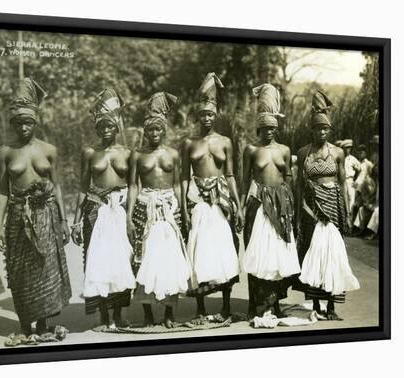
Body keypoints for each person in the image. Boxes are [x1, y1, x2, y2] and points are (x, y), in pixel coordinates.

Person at [0, 78, 72, 344]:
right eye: (18, 123)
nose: (24, 127)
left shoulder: (49, 150)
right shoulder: (5, 152)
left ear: (36, 122)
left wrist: (62, 220)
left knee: (45, 268)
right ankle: (27, 326)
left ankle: (44, 322)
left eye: (28, 122)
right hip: (17, 217)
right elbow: (3, 190)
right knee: (21, 272)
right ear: (13, 124)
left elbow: (57, 186)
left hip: (46, 214)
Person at [71, 88, 135, 329]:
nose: (106, 130)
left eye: (110, 126)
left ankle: (118, 315)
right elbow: (82, 186)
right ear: (97, 128)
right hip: (95, 210)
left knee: (121, 261)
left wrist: (131, 217)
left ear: (117, 127)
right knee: (97, 261)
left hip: (119, 208)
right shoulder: (90, 152)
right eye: (102, 127)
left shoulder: (127, 154)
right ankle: (103, 317)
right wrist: (76, 221)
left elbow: (133, 185)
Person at [126, 92, 191, 328]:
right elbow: (133, 185)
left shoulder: (173, 154)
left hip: (169, 209)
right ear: (145, 131)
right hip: (145, 207)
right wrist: (128, 217)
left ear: (163, 130)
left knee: (169, 260)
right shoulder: (137, 155)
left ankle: (169, 313)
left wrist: (183, 210)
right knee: (144, 260)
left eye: (157, 129)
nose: (153, 134)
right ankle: (147, 312)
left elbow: (177, 184)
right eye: (150, 130)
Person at [181, 73, 242, 322]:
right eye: (202, 115)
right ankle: (200, 307)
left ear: (215, 115)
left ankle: (226, 304)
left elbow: (230, 174)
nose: (206, 118)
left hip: (221, 199)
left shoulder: (225, 142)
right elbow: (184, 176)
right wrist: (185, 208)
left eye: (210, 114)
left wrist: (237, 204)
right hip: (197, 199)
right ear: (197, 117)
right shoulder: (188, 143)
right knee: (199, 247)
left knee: (224, 248)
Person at [295, 90, 360, 321]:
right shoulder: (304, 153)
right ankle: (314, 303)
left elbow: (342, 184)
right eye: (317, 128)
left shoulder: (338, 153)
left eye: (325, 129)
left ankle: (331, 306)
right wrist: (298, 213)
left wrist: (347, 212)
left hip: (333, 206)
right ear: (311, 130)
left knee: (333, 254)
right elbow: (300, 186)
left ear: (329, 130)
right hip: (310, 208)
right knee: (313, 254)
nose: (321, 132)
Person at [241, 84, 301, 318]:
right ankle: (253, 304)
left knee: (278, 255)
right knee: (256, 254)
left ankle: (275, 304)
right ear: (258, 127)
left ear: (276, 128)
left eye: (272, 128)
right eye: (264, 127)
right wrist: (240, 208)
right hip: (258, 205)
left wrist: (292, 209)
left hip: (281, 205)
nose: (268, 132)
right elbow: (244, 180)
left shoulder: (285, 150)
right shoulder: (251, 149)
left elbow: (289, 181)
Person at [340, 139, 361, 216]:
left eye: (349, 148)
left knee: (351, 201)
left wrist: (356, 182)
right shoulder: (340, 158)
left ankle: (350, 223)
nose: (348, 149)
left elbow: (360, 170)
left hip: (350, 181)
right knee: (341, 201)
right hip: (341, 182)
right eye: (346, 148)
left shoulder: (352, 159)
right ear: (343, 148)